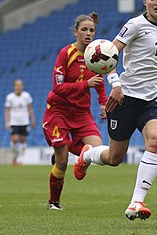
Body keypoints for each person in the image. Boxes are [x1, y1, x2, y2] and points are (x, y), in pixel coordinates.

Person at [74, 0, 157, 220]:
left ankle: (136, 202)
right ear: (145, 1)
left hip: (154, 98)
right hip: (125, 98)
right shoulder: (135, 25)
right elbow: (107, 55)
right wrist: (115, 85)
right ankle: (87, 154)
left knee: (156, 141)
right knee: (114, 158)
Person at [42, 12, 107, 210]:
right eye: (84, 30)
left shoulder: (95, 55)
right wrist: (86, 84)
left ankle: (76, 154)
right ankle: (54, 202)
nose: (88, 33)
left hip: (81, 112)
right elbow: (58, 87)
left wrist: (103, 103)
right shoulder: (66, 54)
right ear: (76, 32)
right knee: (61, 162)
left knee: (97, 149)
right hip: (59, 110)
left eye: (92, 30)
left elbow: (100, 80)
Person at [5, 79, 36, 165]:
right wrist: (7, 121)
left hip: (24, 121)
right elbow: (7, 110)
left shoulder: (26, 96)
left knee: (22, 140)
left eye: (20, 85)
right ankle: (14, 158)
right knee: (14, 139)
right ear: (14, 86)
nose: (19, 87)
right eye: (17, 85)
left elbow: (30, 108)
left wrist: (32, 120)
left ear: (22, 86)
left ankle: (20, 159)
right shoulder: (10, 97)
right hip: (14, 122)